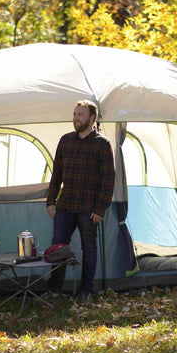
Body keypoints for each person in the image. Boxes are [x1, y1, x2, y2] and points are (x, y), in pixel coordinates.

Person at [46, 100, 115, 300]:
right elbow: (56, 173)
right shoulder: (65, 140)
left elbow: (108, 179)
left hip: (89, 209)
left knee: (89, 249)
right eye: (75, 114)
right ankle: (54, 289)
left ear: (92, 118)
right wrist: (51, 199)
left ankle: (86, 290)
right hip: (65, 205)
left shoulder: (102, 144)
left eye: (80, 115)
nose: (76, 118)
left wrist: (101, 209)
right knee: (57, 248)